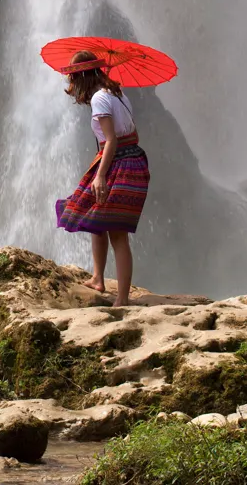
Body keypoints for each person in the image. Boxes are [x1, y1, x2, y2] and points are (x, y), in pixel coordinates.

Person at [54, 50, 150, 307]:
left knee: (117, 233)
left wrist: (101, 175)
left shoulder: (99, 99)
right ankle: (98, 277)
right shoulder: (118, 94)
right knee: (96, 218)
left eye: (73, 78)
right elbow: (131, 133)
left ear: (83, 76)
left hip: (120, 164)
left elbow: (112, 139)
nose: (71, 85)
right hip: (131, 158)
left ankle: (122, 298)